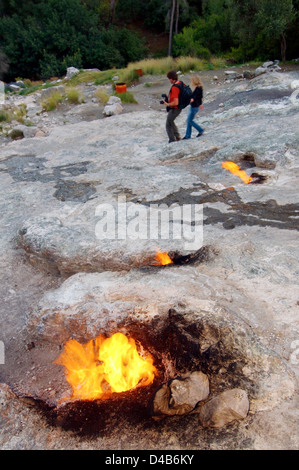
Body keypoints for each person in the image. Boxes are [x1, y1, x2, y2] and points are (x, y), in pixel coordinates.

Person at [162, 70, 182, 143]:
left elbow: (176, 102)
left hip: (175, 108)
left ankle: (172, 140)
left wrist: (168, 104)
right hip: (179, 108)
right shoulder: (180, 83)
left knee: (168, 124)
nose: (169, 80)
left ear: (171, 78)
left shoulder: (174, 87)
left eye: (169, 79)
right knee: (171, 121)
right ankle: (177, 136)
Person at [183, 75, 204, 140]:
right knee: (189, 120)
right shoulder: (200, 88)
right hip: (196, 106)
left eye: (191, 80)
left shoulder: (198, 89)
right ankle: (187, 135)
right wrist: (200, 104)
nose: (191, 82)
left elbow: (194, 97)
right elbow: (200, 97)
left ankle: (200, 130)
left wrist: (190, 100)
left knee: (189, 121)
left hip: (194, 106)